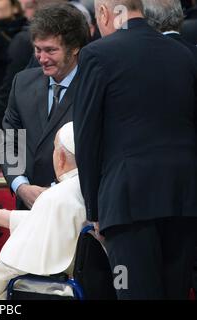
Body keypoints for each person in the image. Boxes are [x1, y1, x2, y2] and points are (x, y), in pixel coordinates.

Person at [73, 0, 197, 299]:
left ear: (104, 12)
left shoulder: (97, 54)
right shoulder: (185, 53)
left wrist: (94, 209)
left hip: (127, 202)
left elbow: (87, 136)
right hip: (184, 199)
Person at [0, 122, 87, 300]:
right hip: (85, 288)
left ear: (61, 157)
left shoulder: (56, 196)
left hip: (53, 291)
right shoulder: (90, 188)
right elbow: (49, 223)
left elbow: (12, 264)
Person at [1, 3, 89, 210]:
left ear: (74, 47)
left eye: (50, 50)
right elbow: (9, 143)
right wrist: (21, 186)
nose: (42, 58)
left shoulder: (93, 86)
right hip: (29, 207)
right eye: (37, 50)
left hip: (77, 208)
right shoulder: (22, 83)